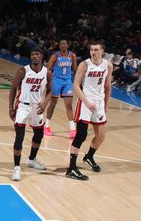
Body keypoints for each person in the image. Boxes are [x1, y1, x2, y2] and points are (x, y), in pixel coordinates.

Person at [66, 41, 112, 180]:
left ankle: (89, 157)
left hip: (99, 102)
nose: (93, 52)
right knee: (81, 135)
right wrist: (86, 101)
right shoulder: (84, 64)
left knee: (101, 136)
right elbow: (75, 86)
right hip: (85, 101)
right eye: (91, 49)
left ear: (102, 51)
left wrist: (106, 105)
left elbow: (108, 86)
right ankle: (71, 168)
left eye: (96, 49)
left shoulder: (108, 65)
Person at [9, 49, 51, 181]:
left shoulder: (47, 73)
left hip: (37, 106)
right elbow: (13, 88)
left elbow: (50, 90)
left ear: (42, 57)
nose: (35, 56)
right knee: (20, 136)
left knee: (39, 134)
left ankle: (31, 159)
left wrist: (45, 104)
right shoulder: (23, 70)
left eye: (37, 54)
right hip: (23, 106)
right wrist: (11, 107)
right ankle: (16, 167)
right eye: (33, 54)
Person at [43, 39, 77, 138]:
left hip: (67, 82)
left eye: (64, 44)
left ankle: (73, 129)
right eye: (61, 44)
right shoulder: (55, 56)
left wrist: (79, 82)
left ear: (68, 45)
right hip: (56, 81)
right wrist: (48, 82)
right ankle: (47, 126)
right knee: (53, 104)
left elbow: (75, 69)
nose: (62, 45)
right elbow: (48, 70)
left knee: (69, 105)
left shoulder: (72, 56)